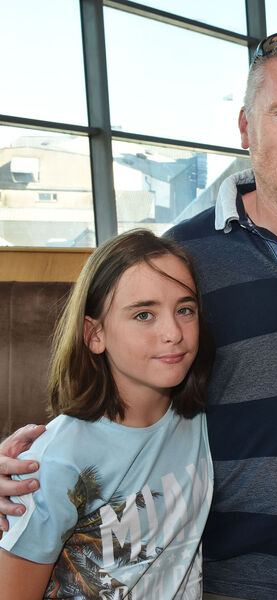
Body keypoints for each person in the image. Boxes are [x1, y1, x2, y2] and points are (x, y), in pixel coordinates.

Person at [0, 31, 277, 600]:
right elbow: (116, 388)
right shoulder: (182, 259)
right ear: (245, 127)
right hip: (224, 583)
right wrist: (34, 467)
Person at [0, 229, 214, 599]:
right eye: (144, 314)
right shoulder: (57, 460)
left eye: (185, 309)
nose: (173, 332)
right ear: (94, 334)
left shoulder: (198, 419)